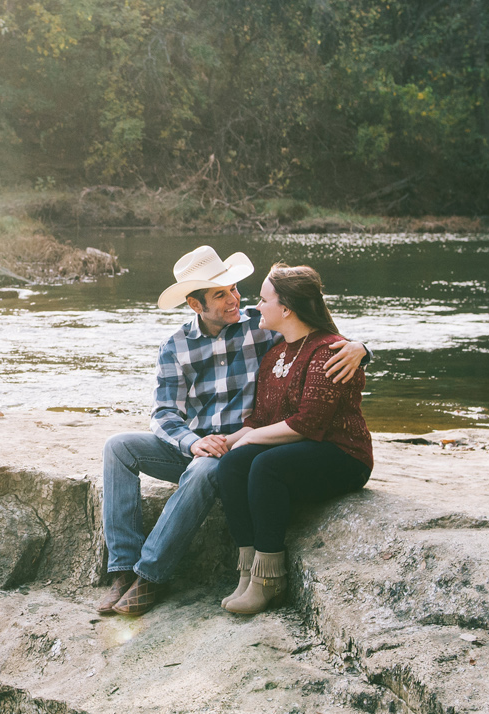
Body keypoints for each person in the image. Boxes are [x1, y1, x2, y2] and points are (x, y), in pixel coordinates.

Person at [99, 247, 367, 617]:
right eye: (221, 294)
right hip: (198, 444)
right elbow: (164, 413)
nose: (235, 300)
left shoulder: (261, 324)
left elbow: (317, 334)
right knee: (117, 447)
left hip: (239, 446)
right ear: (196, 305)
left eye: (235, 289)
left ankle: (150, 577)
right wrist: (193, 442)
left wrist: (362, 349)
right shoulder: (175, 346)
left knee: (207, 468)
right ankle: (123, 570)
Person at [213, 263, 374, 615]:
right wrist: (225, 442)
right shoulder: (275, 354)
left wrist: (252, 439)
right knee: (232, 465)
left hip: (343, 454)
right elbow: (259, 421)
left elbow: (308, 423)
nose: (256, 305)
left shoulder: (328, 350)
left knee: (266, 466)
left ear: (286, 309)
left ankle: (270, 579)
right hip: (302, 449)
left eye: (264, 299)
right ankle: (248, 571)